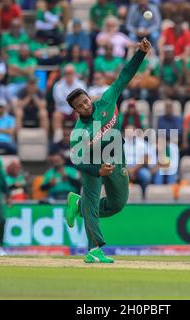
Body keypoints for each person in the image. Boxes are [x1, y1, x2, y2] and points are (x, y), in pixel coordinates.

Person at [65, 38, 151, 263]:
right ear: (75, 110)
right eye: (79, 106)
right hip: (93, 165)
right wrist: (96, 171)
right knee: (92, 202)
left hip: (116, 157)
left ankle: (77, 204)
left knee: (117, 204)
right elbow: (76, 159)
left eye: (85, 101)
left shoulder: (107, 99)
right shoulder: (79, 131)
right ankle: (93, 250)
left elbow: (125, 75)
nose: (85, 106)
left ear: (88, 97)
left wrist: (140, 54)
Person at [52, 64, 87, 142]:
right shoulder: (58, 85)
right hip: (62, 110)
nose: (69, 75)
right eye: (67, 73)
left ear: (74, 74)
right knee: (56, 115)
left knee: (81, 113)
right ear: (64, 74)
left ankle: (80, 137)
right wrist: (75, 99)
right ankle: (58, 139)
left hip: (77, 109)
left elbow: (83, 99)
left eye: (71, 73)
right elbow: (59, 100)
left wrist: (70, 100)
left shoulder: (81, 84)